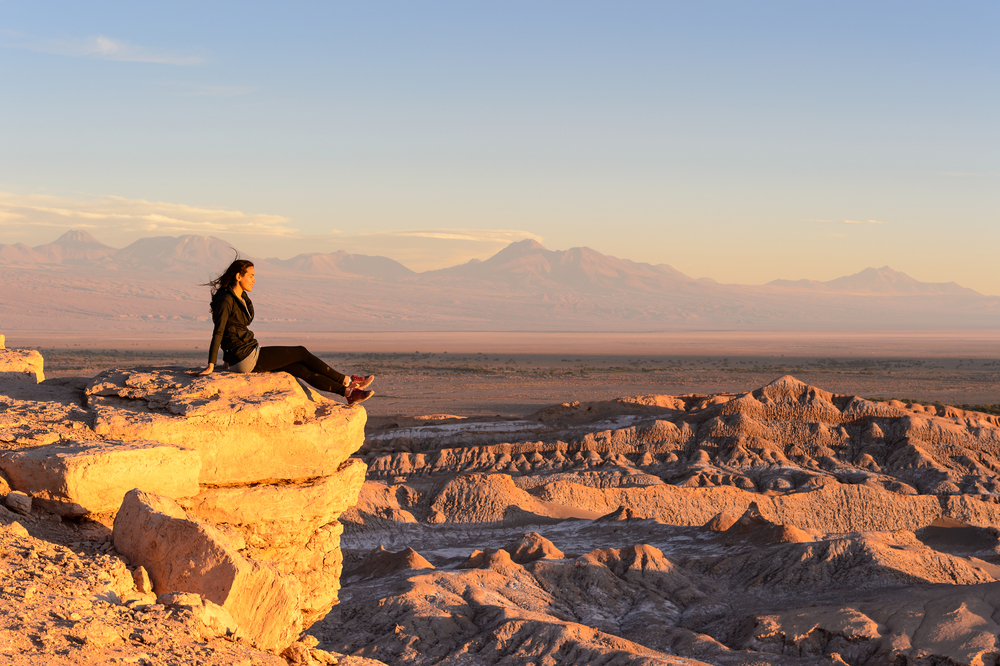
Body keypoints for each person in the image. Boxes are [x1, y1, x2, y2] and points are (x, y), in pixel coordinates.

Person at [192, 258, 374, 405]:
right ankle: (347, 381)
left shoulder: (238, 297)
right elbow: (219, 331)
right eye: (251, 276)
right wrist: (211, 364)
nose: (254, 280)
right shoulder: (226, 300)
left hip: (243, 355)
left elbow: (232, 330)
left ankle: (348, 393)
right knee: (301, 352)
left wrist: (227, 360)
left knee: (299, 369)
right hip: (246, 357)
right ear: (239, 277)